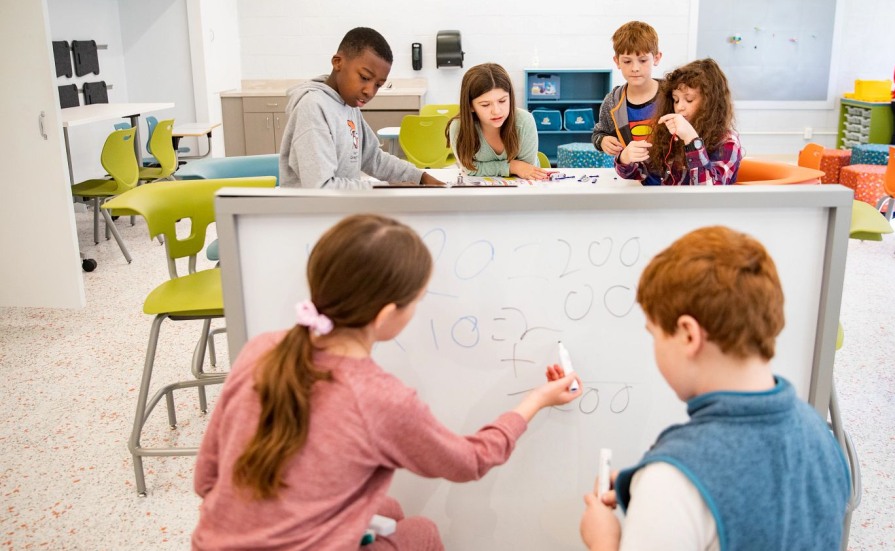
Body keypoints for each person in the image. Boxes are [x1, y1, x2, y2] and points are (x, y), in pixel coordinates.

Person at [192, 213, 581, 550]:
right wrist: (536, 399)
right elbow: (470, 461)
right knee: (422, 531)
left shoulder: (263, 348)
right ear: (385, 316)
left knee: (389, 510)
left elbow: (206, 478)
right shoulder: (380, 398)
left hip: (212, 543)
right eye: (418, 300)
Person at [562, 226, 851, 550]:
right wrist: (646, 490)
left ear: (688, 335)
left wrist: (605, 543)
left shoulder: (672, 482)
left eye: (654, 334)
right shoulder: (820, 435)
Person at [278, 27, 444, 189]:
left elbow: (373, 158)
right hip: (312, 214)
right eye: (364, 77)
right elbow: (321, 187)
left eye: (378, 85)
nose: (369, 91)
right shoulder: (313, 107)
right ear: (338, 62)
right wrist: (386, 188)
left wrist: (419, 177)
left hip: (342, 208)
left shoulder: (349, 104)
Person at [616, 58, 743, 186]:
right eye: (676, 100)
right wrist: (625, 158)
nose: (679, 107)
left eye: (689, 100)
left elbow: (708, 191)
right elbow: (643, 173)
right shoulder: (670, 135)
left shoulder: (727, 142)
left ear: (710, 104)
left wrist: (692, 141)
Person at [591, 21, 664, 185]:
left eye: (643, 60)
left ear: (656, 58)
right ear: (617, 61)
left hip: (673, 184)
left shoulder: (672, 95)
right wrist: (602, 141)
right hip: (634, 183)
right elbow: (599, 133)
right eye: (627, 61)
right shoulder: (612, 101)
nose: (635, 68)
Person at [447, 63, 548, 179]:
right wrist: (512, 166)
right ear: (470, 106)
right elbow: (469, 169)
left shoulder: (524, 121)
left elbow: (526, 169)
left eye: (502, 101)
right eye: (485, 105)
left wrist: (488, 167)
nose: (496, 111)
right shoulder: (459, 127)